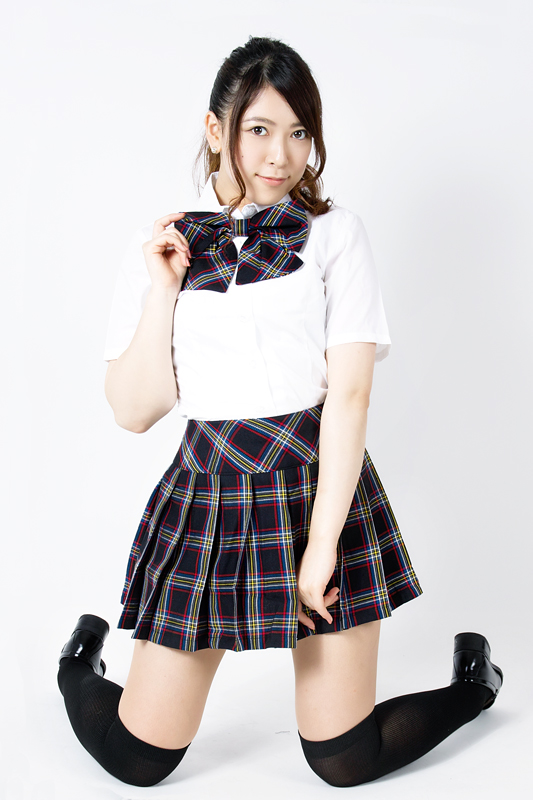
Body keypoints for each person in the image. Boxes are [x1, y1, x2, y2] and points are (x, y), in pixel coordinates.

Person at [56, 36, 503, 789]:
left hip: (318, 491)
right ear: (215, 129)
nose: (280, 154)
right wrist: (164, 291)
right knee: (137, 759)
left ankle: (473, 684)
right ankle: (77, 664)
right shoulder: (158, 246)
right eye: (259, 128)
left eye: (299, 132)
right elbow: (135, 411)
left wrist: (321, 546)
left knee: (343, 760)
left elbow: (350, 395)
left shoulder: (335, 235)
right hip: (206, 497)